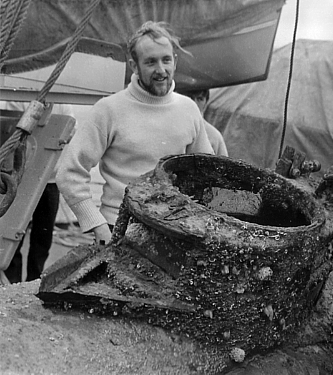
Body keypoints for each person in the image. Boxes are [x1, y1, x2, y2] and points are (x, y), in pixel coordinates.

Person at [56, 21, 214, 246]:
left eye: (166, 60)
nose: (161, 70)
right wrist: (97, 224)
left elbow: (206, 172)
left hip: (173, 232)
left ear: (175, 61)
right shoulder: (108, 109)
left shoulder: (188, 109)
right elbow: (68, 173)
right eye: (150, 62)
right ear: (134, 65)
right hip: (119, 230)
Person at [0, 101, 74, 283]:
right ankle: (12, 284)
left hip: (49, 181)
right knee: (12, 234)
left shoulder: (63, 105)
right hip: (19, 182)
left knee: (43, 236)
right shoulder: (16, 101)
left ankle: (35, 281)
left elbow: (71, 131)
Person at [177, 89, 228, 156]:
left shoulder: (213, 135)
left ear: (205, 104)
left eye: (200, 99)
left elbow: (223, 163)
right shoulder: (172, 125)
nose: (194, 103)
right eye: (190, 97)